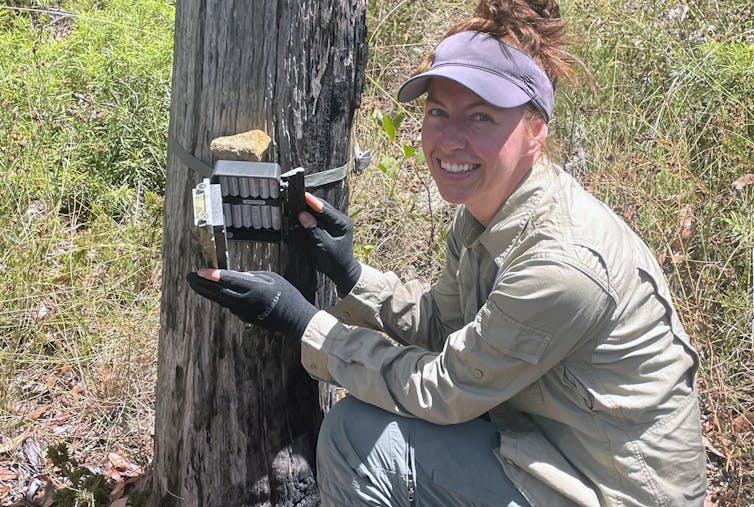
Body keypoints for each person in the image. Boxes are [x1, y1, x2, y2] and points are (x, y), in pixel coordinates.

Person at [187, 0, 708, 505]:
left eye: (481, 117)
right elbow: (447, 324)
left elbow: (446, 390)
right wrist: (350, 274)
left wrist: (303, 323)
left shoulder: (561, 264)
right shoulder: (490, 209)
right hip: (553, 439)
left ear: (536, 132)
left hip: (610, 487)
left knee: (356, 437)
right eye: (438, 111)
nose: (451, 139)